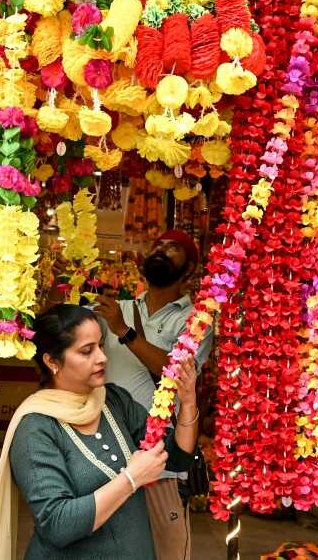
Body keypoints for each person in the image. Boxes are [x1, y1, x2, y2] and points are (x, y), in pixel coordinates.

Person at [0, 304, 199, 560]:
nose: (102, 358)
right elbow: (56, 524)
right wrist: (130, 479)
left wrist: (188, 401)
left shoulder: (114, 401)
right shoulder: (35, 427)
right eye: (86, 351)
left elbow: (176, 456)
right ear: (52, 361)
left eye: (101, 346)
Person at [92, 230, 210, 560]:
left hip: (162, 465)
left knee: (164, 552)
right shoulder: (118, 309)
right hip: (105, 461)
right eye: (158, 245)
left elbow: (177, 372)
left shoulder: (195, 321)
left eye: (172, 249)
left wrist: (124, 333)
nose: (161, 250)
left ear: (188, 271)